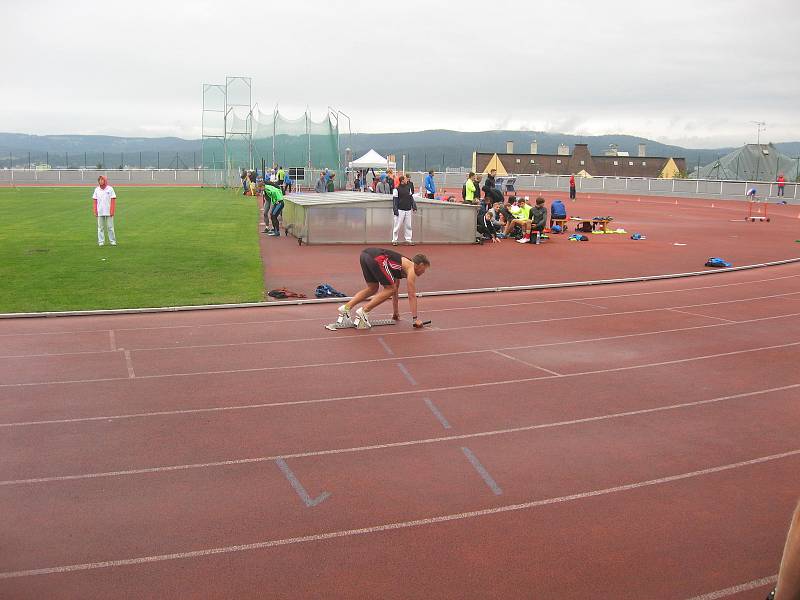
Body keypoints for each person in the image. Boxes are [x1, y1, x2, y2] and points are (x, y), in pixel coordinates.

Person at [336, 249, 430, 329]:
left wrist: (395, 312)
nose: (424, 272)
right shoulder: (411, 269)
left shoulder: (401, 266)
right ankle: (364, 311)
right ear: (421, 265)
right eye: (424, 269)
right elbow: (412, 295)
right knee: (390, 288)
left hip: (365, 255)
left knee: (373, 288)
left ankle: (346, 308)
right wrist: (415, 319)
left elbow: (395, 289)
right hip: (377, 258)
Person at [392, 174, 417, 245]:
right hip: (400, 210)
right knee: (397, 225)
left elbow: (411, 198)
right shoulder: (396, 189)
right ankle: (394, 240)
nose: (407, 180)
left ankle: (408, 240)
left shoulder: (408, 188)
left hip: (408, 209)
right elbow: (395, 201)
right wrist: (395, 210)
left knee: (408, 225)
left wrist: (414, 206)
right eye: (406, 179)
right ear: (402, 180)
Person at [93, 175, 117, 246]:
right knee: (100, 228)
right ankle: (101, 241)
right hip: (100, 211)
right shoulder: (96, 189)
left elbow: (113, 200)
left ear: (105, 180)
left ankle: (112, 241)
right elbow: (95, 201)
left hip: (109, 211)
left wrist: (112, 210)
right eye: (99, 180)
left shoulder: (110, 189)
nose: (101, 181)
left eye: (102, 180)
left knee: (110, 227)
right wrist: (95, 211)